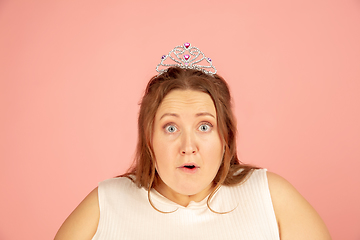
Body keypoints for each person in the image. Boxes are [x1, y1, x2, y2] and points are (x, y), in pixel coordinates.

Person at [54, 43, 331, 240]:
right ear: (149, 139)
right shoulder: (106, 203)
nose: (188, 146)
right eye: (171, 127)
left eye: (204, 126)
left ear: (226, 138)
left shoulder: (270, 197)